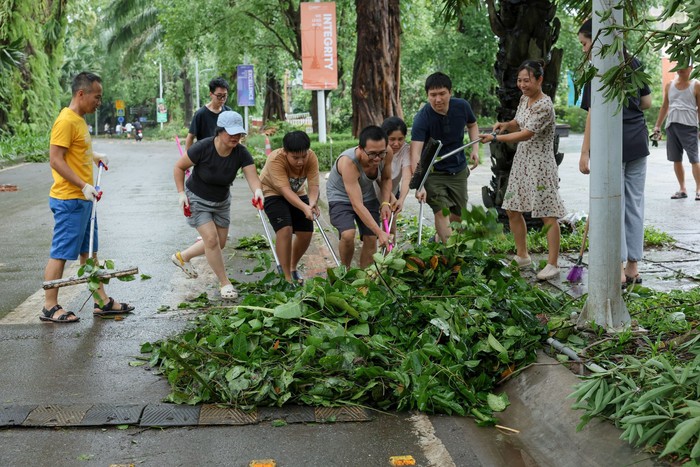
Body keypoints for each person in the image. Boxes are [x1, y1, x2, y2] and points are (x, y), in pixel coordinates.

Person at [41, 72, 134, 323]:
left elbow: (76, 152)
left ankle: (101, 302)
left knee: (89, 253)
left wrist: (94, 156)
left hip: (84, 200)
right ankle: (50, 306)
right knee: (61, 252)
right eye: (97, 96)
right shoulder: (66, 121)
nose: (99, 102)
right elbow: (56, 159)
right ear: (81, 94)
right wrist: (83, 185)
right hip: (70, 199)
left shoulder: (80, 120)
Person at [577, 18, 652, 286]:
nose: (584, 50)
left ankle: (618, 268)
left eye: (585, 43)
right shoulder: (634, 62)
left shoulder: (598, 70)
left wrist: (584, 152)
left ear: (597, 40)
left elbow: (592, 114)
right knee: (634, 203)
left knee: (615, 205)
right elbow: (647, 102)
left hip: (612, 146)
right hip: (638, 142)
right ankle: (633, 266)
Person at [479, 60, 565, 281]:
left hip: (541, 166)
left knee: (548, 214)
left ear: (539, 80)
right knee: (512, 209)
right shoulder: (524, 99)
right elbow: (519, 123)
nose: (522, 84)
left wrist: (496, 137)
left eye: (527, 80)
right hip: (522, 163)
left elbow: (527, 133)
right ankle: (522, 255)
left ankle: (553, 264)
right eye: (519, 80)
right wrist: (506, 124)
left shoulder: (545, 105)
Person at [172, 111, 263, 299]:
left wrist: (258, 191)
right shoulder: (203, 147)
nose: (236, 138)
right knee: (211, 240)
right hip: (197, 198)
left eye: (239, 134)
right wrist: (181, 193)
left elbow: (253, 178)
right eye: (231, 133)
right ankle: (225, 283)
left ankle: (183, 257)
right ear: (219, 132)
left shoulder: (241, 153)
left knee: (219, 244)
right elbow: (179, 167)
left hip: (221, 201)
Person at [410, 72, 480, 243]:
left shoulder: (462, 106)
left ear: (450, 92)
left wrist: (475, 148)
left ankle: (438, 239)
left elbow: (472, 124)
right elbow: (415, 153)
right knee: (441, 212)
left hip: (458, 169)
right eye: (433, 95)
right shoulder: (422, 118)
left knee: (458, 215)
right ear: (427, 96)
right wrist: (420, 183)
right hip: (433, 172)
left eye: (442, 93)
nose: (438, 99)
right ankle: (451, 255)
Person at [326, 125, 393, 268]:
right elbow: (357, 205)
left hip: (366, 194)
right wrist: (380, 232)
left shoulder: (387, 153)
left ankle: (365, 278)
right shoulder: (349, 163)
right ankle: (345, 272)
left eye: (381, 153)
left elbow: (386, 179)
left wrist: (385, 203)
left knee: (371, 237)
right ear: (361, 148)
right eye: (372, 154)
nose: (377, 159)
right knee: (348, 234)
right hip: (340, 197)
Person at [259, 131, 320, 283]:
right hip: (271, 192)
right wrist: (304, 208)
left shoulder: (311, 157)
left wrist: (311, 203)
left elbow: (314, 185)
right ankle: (286, 277)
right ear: (285, 152)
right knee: (285, 229)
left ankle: (292, 267)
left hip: (298, 192)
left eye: (303, 156)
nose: (300, 162)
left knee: (306, 231)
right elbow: (285, 191)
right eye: (295, 158)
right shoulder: (275, 159)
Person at [653, 64, 700, 200]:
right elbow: (664, 106)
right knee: (676, 159)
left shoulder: (696, 85)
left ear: (691, 67)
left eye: (684, 66)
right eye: (678, 65)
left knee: (694, 159)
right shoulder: (670, 84)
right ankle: (682, 189)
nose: (680, 69)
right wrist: (657, 126)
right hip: (672, 125)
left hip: (689, 126)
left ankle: (699, 189)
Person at [381, 116, 411, 234]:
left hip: (393, 192)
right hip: (373, 192)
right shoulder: (378, 148)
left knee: (390, 228)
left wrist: (401, 199)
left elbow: (407, 176)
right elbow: (378, 178)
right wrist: (390, 197)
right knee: (372, 233)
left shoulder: (405, 150)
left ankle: (390, 252)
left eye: (400, 139)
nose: (396, 144)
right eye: (392, 139)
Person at [185, 77, 232, 151]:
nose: (222, 99)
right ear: (211, 94)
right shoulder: (200, 114)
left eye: (225, 95)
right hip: (205, 157)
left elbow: (235, 135)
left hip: (224, 156)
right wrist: (188, 158)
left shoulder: (229, 112)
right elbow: (190, 137)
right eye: (219, 96)